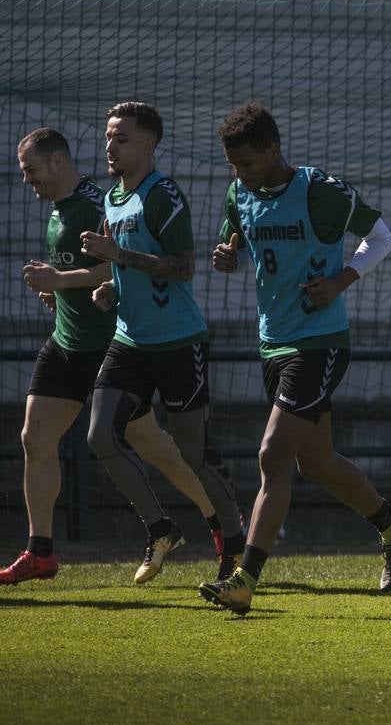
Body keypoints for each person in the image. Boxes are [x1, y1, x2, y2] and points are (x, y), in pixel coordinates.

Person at [198, 102, 391, 615]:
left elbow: (381, 237)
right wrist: (229, 256)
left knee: (272, 455)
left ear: (273, 150)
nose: (239, 174)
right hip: (273, 343)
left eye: (247, 163)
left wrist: (341, 281)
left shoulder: (319, 190)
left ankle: (244, 579)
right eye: (233, 165)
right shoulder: (240, 193)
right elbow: (238, 240)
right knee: (316, 460)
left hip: (320, 344)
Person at [2, 127, 238, 585]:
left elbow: (117, 263)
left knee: (158, 448)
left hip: (110, 345)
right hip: (66, 341)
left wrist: (63, 280)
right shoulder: (58, 210)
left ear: (57, 162)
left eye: (30, 169)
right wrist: (59, 295)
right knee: (35, 437)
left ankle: (217, 523)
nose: (26, 180)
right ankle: (41, 550)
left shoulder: (98, 200)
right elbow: (86, 271)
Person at [77, 103, 246, 585]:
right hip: (129, 340)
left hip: (177, 343)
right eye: (109, 137)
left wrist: (119, 256)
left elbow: (183, 266)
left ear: (148, 144)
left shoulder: (163, 194)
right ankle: (161, 527)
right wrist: (110, 287)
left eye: (121, 138)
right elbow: (121, 267)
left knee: (194, 453)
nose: (110, 146)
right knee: (99, 435)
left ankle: (235, 544)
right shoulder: (112, 198)